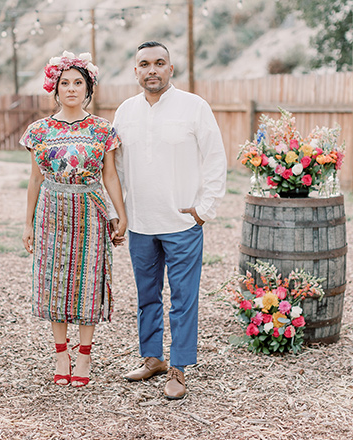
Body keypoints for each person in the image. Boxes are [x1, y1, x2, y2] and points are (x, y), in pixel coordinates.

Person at [112, 41, 227, 400]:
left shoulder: (194, 107)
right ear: (135, 71)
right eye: (144, 64)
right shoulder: (125, 112)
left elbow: (215, 159)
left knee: (182, 298)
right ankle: (152, 358)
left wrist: (203, 208)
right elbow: (114, 169)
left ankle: (178, 367)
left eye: (159, 63)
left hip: (181, 223)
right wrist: (120, 213)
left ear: (171, 68)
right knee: (147, 296)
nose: (152, 70)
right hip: (141, 222)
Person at [21, 50, 127, 388]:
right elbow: (35, 179)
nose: (71, 89)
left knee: (87, 280)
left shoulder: (102, 130)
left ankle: (84, 355)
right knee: (54, 281)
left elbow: (110, 176)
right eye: (64, 83)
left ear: (88, 88)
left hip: (90, 212)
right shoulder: (39, 131)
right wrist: (27, 223)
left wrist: (120, 215)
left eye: (78, 83)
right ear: (55, 88)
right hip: (51, 212)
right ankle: (60, 353)